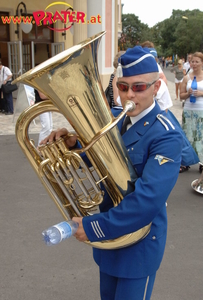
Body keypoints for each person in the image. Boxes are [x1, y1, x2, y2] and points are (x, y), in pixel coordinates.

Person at [41, 46, 183, 300]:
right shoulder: (117, 118)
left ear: (157, 87)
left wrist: (94, 227)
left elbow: (148, 200)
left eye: (139, 87)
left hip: (138, 243)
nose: (130, 95)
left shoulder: (167, 134)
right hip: (110, 240)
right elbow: (102, 155)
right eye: (122, 86)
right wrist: (74, 145)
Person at [180, 52, 203, 172]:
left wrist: (201, 93)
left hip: (201, 111)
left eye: (197, 61)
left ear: (202, 63)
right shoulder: (187, 77)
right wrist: (188, 94)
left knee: (201, 137)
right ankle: (185, 162)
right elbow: (181, 96)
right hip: (189, 110)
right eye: (192, 61)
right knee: (187, 136)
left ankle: (202, 162)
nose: (194, 64)